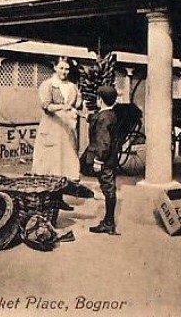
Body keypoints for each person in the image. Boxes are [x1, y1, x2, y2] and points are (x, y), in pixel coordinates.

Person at [32, 57, 82, 204]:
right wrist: (62, 106)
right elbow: (46, 106)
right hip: (51, 128)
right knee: (50, 166)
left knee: (64, 166)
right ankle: (46, 201)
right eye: (61, 68)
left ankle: (58, 199)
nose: (64, 72)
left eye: (67, 69)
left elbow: (77, 104)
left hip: (66, 130)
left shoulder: (72, 86)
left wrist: (79, 103)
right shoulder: (48, 85)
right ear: (55, 67)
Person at [85, 85, 119, 235]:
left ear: (100, 99)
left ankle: (109, 223)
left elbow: (104, 142)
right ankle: (108, 221)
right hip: (111, 158)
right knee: (109, 187)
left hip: (104, 160)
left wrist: (98, 160)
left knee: (108, 188)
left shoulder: (103, 118)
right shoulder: (110, 114)